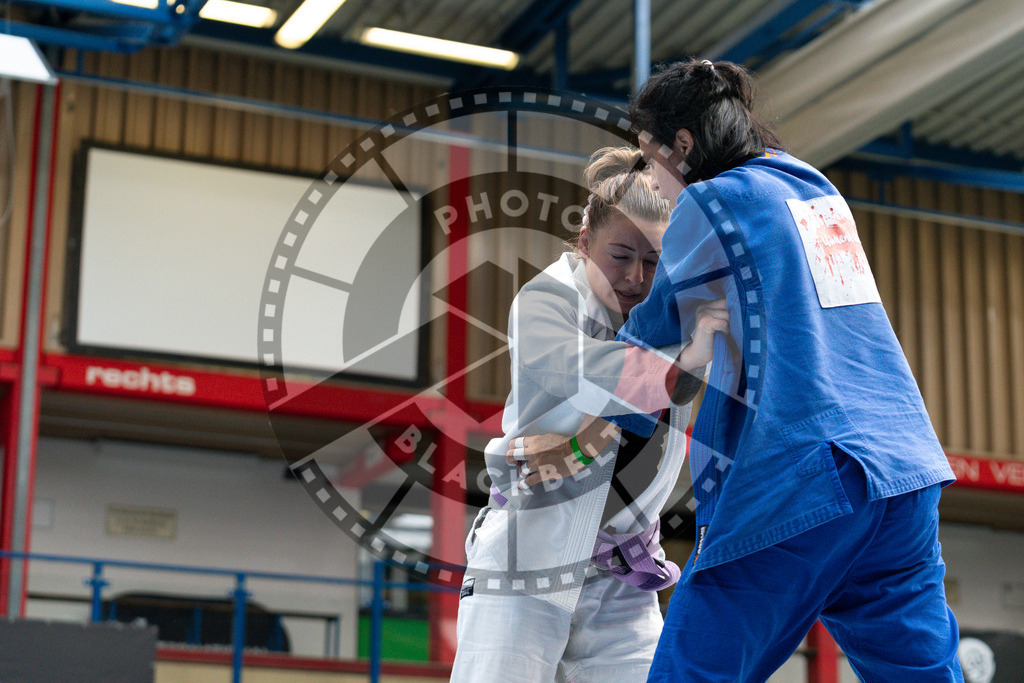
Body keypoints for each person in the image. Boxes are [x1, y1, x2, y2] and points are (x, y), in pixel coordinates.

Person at [606, 58, 963, 681]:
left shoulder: (711, 202)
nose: (653, 181)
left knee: (692, 670)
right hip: (902, 472)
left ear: (683, 146)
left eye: (650, 157)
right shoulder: (814, 189)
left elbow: (647, 349)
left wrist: (588, 419)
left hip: (802, 476)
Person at [450, 147, 728, 683]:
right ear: (584, 242)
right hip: (528, 556)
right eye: (620, 254)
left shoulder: (674, 318)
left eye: (654, 262)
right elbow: (575, 371)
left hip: (622, 576)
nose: (635, 276)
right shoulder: (547, 298)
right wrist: (682, 364)